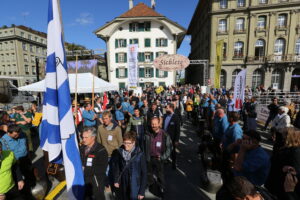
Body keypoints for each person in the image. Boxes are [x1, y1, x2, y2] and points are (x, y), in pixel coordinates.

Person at [110, 131, 147, 200]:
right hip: (124, 182)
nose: (126, 145)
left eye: (128, 143)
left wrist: (141, 192)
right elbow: (118, 167)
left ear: (134, 143)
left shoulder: (140, 154)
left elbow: (144, 173)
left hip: (135, 183)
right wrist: (116, 180)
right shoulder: (120, 152)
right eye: (124, 142)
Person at [265, 127, 300, 199]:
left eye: (284, 134)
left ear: (289, 136)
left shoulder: (295, 152)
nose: (281, 135)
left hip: (281, 184)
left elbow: (295, 172)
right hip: (274, 178)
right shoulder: (283, 145)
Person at [144, 117, 172, 197]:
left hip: (159, 159)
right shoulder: (147, 133)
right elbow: (143, 145)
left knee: (160, 175)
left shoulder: (165, 134)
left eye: (155, 124)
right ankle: (150, 186)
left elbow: (169, 148)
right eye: (152, 124)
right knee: (149, 174)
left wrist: (163, 157)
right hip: (149, 158)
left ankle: (161, 188)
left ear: (159, 124)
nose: (153, 126)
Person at [80, 127, 108, 200]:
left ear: (93, 137)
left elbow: (102, 169)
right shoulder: (82, 148)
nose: (83, 140)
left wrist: (85, 169)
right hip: (84, 181)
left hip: (96, 183)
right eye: (83, 137)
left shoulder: (101, 150)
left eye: (86, 137)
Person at [162, 103, 180, 169]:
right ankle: (165, 160)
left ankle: (174, 163)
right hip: (164, 136)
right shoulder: (165, 116)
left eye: (167, 108)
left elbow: (178, 130)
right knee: (164, 149)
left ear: (171, 108)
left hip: (172, 138)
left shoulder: (176, 117)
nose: (166, 109)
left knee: (173, 151)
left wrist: (176, 140)